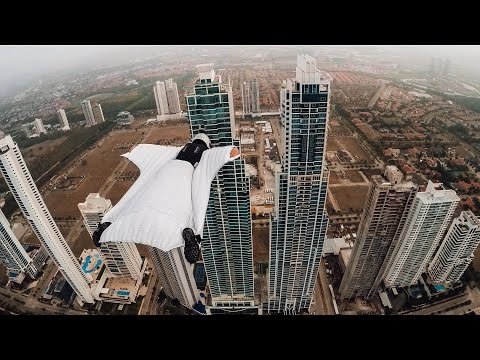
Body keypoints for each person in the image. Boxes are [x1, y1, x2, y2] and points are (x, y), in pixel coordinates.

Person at [92, 133, 240, 264]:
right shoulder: (206, 154)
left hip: (165, 172)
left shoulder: (177, 150)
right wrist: (229, 153)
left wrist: (136, 149)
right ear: (206, 145)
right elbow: (219, 156)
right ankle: (189, 233)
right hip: (184, 176)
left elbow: (150, 152)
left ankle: (109, 225)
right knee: (183, 205)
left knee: (139, 198)